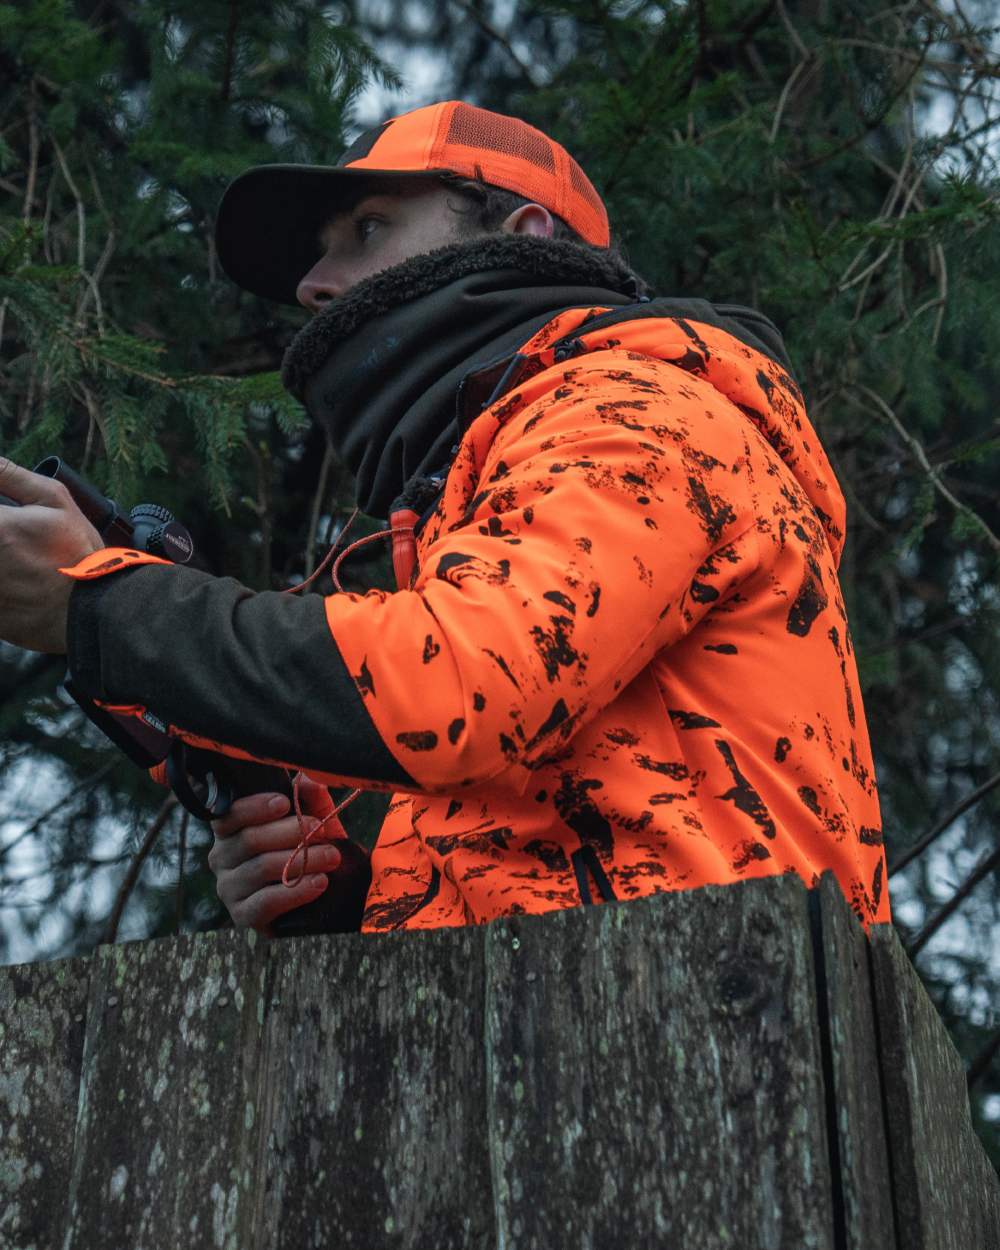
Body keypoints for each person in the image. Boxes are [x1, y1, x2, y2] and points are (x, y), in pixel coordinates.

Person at [0, 100, 891, 936]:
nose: (315, 283)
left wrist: (103, 608)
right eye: (322, 252)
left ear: (523, 235)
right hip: (604, 1029)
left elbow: (466, 686)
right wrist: (345, 901)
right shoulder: (484, 481)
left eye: (370, 228)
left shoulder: (639, 408)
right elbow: (546, 829)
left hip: (724, 1033)